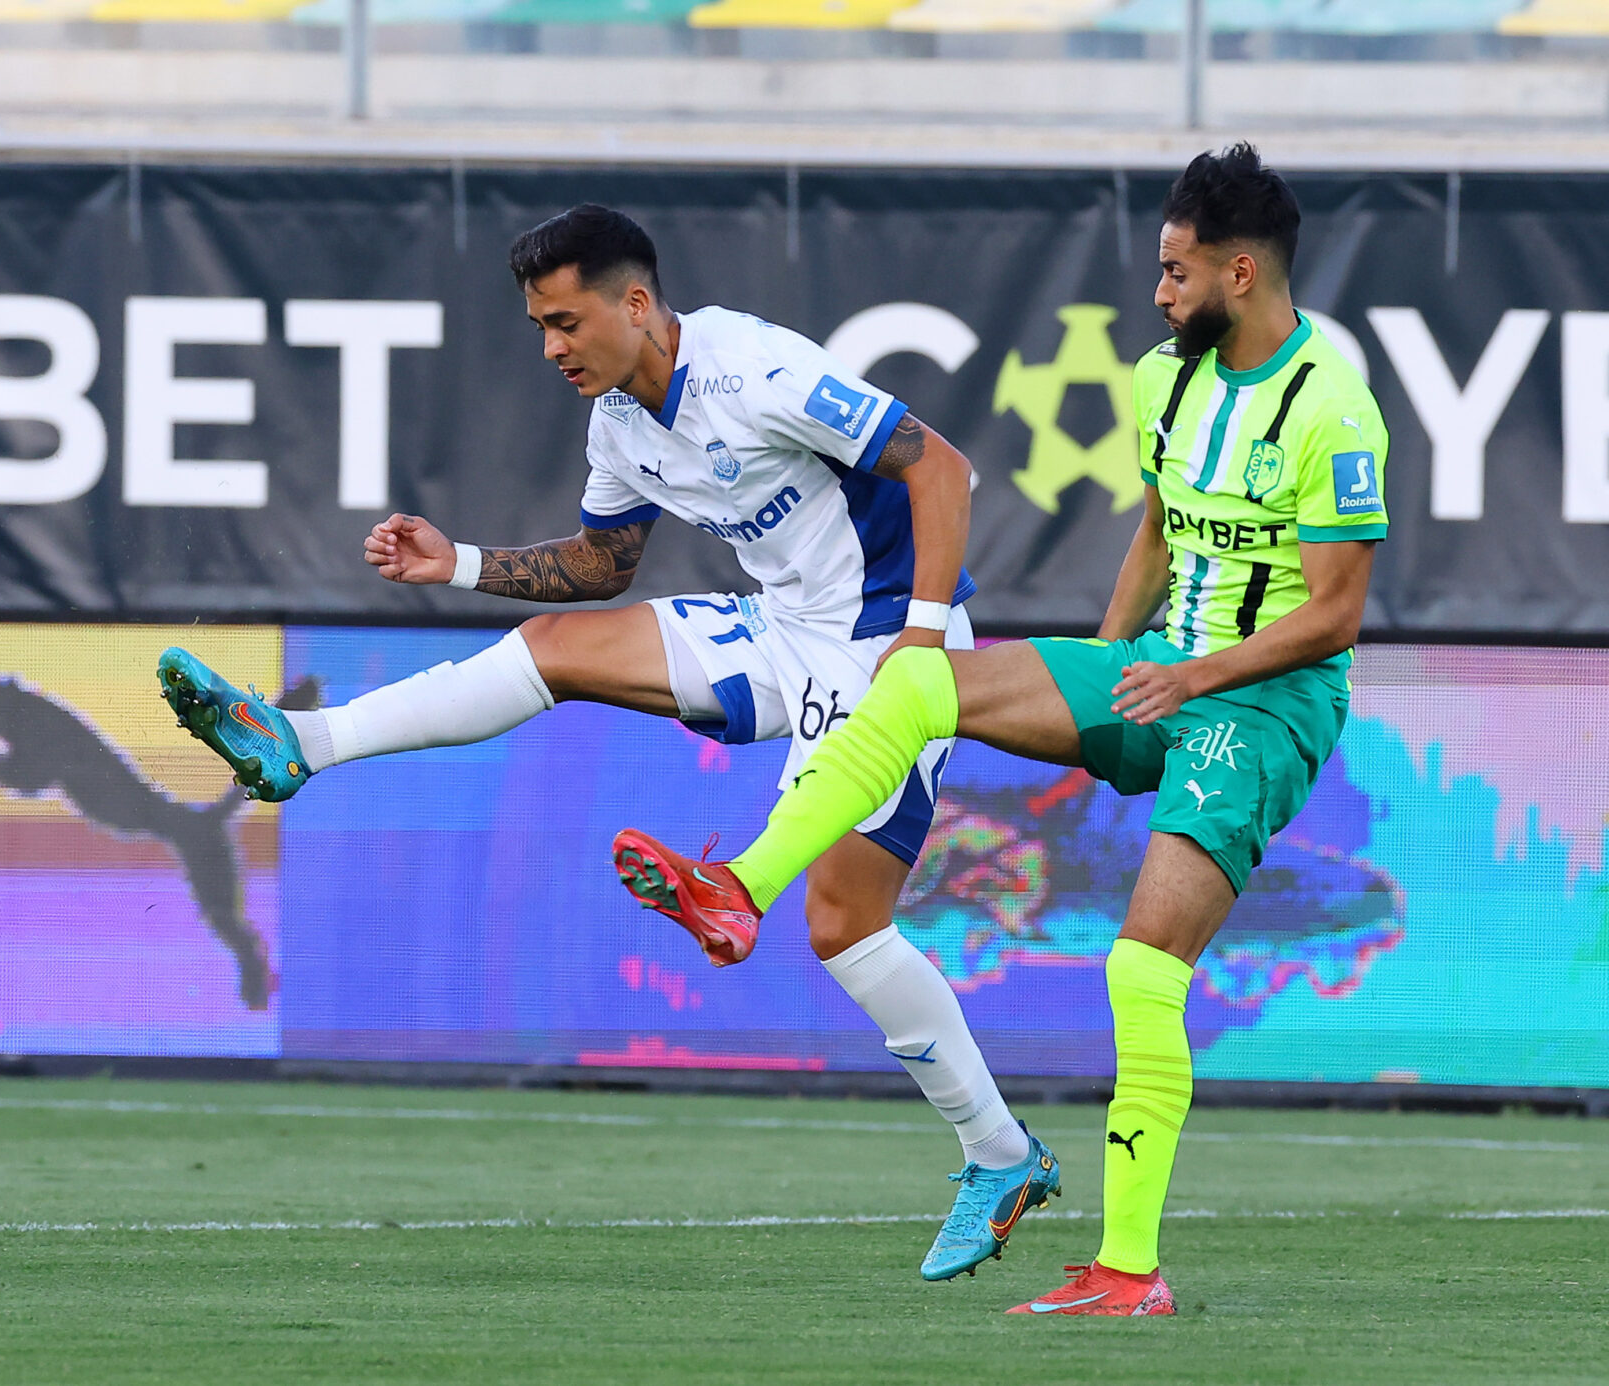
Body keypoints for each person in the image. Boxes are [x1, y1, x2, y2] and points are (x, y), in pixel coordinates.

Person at [157, 203, 1059, 1281]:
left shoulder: (754, 369)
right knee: (558, 649)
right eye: (539, 327)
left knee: (842, 925)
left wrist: (919, 640)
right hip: (783, 626)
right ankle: (300, 741)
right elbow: (601, 566)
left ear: (634, 304)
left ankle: (998, 1153)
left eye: (564, 322)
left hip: (888, 638)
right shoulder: (621, 425)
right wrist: (456, 563)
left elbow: (941, 468)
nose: (551, 348)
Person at [613, 144, 1389, 1316]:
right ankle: (739, 889)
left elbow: (1332, 617)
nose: (1157, 293)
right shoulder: (1162, 379)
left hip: (1263, 706)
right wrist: (1102, 682)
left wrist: (1189, 679)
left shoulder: (1330, 405)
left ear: (1240, 272)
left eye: (1176, 273)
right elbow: (1158, 533)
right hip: (1157, 673)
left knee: (1141, 967)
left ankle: (1127, 1272)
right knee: (920, 680)